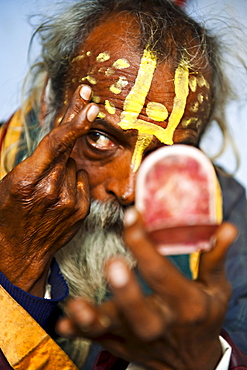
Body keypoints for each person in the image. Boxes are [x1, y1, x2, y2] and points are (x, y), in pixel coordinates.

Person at [0, 0, 247, 369]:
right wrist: (15, 269)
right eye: (100, 137)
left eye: (163, 158)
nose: (130, 190)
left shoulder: (222, 209)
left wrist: (211, 359)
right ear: (49, 102)